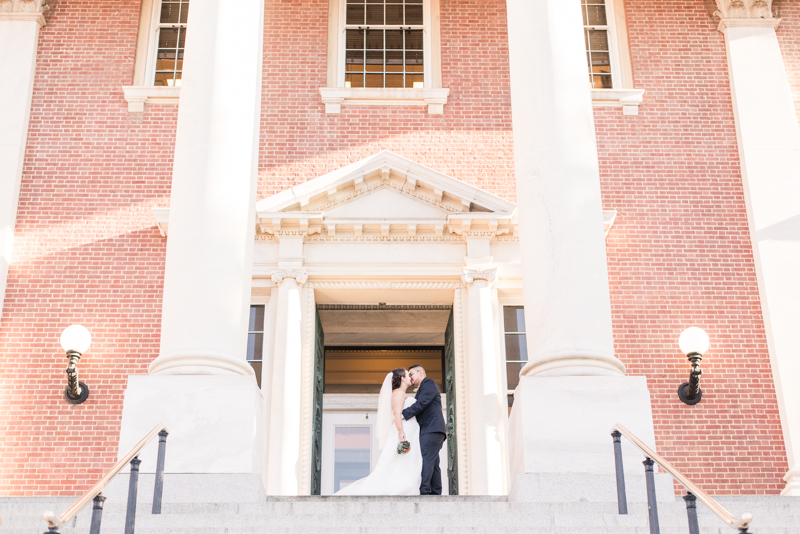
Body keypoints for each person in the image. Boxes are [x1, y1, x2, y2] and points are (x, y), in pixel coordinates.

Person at [334, 368, 422, 495]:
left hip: (411, 430)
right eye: (408, 375)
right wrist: (401, 431)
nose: (410, 377)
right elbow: (397, 414)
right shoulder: (398, 393)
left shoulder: (401, 393)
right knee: (402, 461)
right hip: (405, 430)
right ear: (402, 378)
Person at [402, 364, 447, 495]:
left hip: (432, 428)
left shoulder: (428, 383)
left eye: (411, 374)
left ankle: (425, 492)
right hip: (433, 429)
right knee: (433, 461)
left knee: (426, 458)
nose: (410, 377)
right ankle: (435, 492)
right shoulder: (423, 388)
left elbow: (422, 404)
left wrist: (402, 414)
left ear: (420, 373)